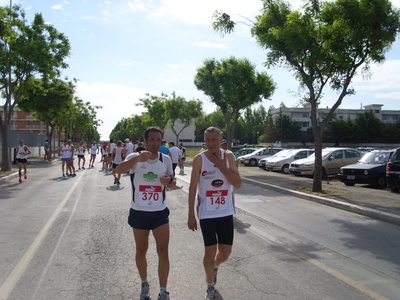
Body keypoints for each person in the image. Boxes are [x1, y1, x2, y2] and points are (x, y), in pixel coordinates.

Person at [115, 126, 176, 300]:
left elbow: (173, 182)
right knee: (141, 250)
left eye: (158, 140)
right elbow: (118, 170)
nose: (155, 143)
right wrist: (137, 160)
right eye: (152, 140)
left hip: (159, 212)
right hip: (139, 212)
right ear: (145, 141)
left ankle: (163, 290)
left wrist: (168, 180)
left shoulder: (165, 159)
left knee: (163, 251)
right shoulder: (135, 157)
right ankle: (144, 283)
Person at [187, 127, 242, 300]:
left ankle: (215, 266)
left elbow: (238, 183)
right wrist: (190, 214)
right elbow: (192, 188)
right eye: (208, 140)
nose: (211, 144)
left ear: (220, 140)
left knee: (225, 252)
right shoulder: (199, 159)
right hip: (207, 213)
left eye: (214, 140)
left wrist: (222, 168)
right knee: (209, 251)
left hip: (225, 211)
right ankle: (210, 286)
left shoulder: (229, 157)